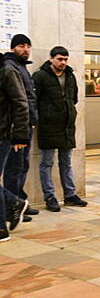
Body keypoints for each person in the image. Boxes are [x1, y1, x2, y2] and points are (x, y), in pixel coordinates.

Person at [32, 46, 88, 212]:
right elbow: (33, 100)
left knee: (66, 163)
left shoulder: (70, 76)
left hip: (67, 127)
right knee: (46, 163)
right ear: (51, 59)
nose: (63, 62)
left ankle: (70, 195)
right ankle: (49, 197)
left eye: (65, 59)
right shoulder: (40, 76)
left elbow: (74, 98)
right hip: (48, 126)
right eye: (59, 59)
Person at [2, 34, 40, 220]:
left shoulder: (22, 67)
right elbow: (18, 102)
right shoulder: (11, 67)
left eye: (28, 46)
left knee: (22, 166)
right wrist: (19, 133)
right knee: (14, 169)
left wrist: (32, 122)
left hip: (25, 127)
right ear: (13, 48)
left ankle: (20, 202)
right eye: (21, 46)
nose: (26, 49)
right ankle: (13, 206)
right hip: (16, 129)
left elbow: (28, 100)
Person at [0, 52, 31, 241]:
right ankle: (14, 202)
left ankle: (1, 228)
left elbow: (22, 103)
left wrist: (21, 135)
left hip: (2, 134)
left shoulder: (7, 70)